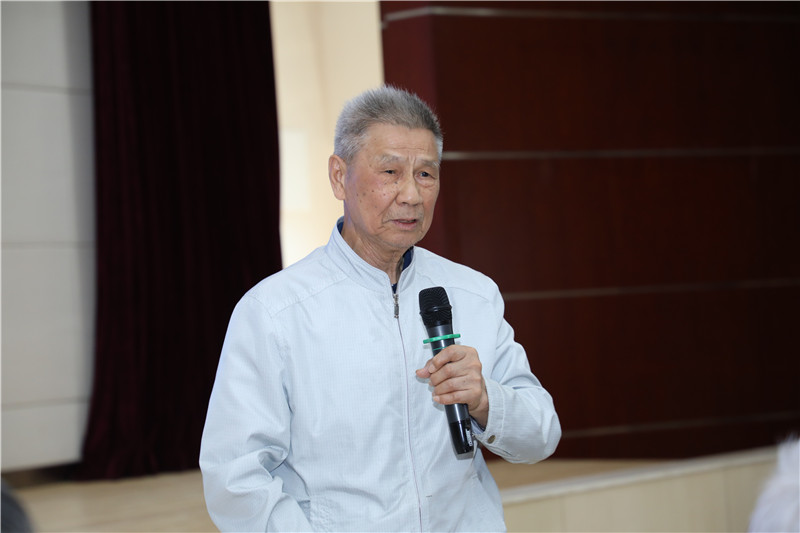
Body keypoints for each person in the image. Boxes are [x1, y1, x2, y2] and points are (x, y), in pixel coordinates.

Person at [199, 85, 561, 532]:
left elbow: (542, 435)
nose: (411, 195)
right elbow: (236, 477)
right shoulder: (275, 312)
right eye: (390, 171)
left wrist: (486, 400)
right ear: (339, 177)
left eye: (425, 174)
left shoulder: (472, 293)